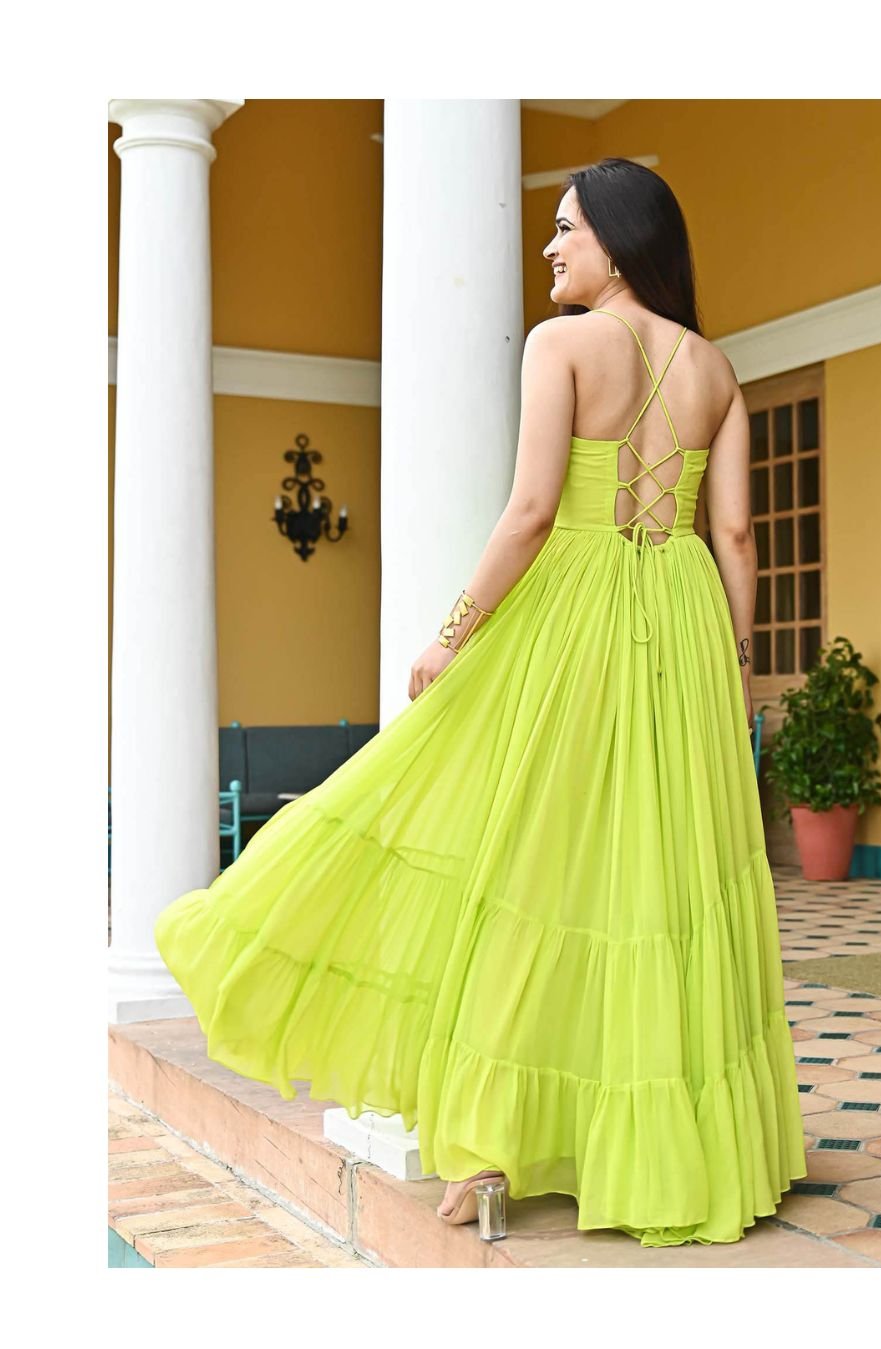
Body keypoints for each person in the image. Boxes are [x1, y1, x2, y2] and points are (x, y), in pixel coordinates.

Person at [154, 156, 808, 1248]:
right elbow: (735, 535)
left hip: (575, 619)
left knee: (530, 870)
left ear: (619, 241)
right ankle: (673, 1152)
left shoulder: (562, 346)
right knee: (664, 885)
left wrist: (450, 635)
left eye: (566, 228)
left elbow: (533, 511)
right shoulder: (716, 368)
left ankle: (489, 1152)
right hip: (686, 623)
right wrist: (731, 667)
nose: (548, 247)